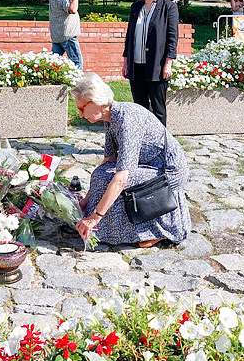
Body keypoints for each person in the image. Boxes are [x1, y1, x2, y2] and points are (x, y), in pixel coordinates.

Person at [71, 72, 191, 248]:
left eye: (82, 109)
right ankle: (94, 226)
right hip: (146, 165)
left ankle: (154, 231)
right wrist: (87, 201)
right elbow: (109, 160)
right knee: (101, 174)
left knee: (113, 182)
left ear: (96, 103)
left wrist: (96, 216)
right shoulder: (110, 118)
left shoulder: (127, 120)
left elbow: (122, 179)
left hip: (167, 170)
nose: (80, 115)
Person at [122, 0, 179, 126]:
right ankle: (143, 140)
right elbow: (129, 37)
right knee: (140, 107)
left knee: (158, 107)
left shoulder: (168, 7)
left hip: (157, 64)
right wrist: (126, 61)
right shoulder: (136, 7)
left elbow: (172, 38)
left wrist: (168, 62)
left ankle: (160, 143)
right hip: (136, 64)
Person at [48, 0, 83, 69]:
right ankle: (78, 83)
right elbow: (73, 9)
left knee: (53, 64)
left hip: (57, 36)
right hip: (68, 36)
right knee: (77, 62)